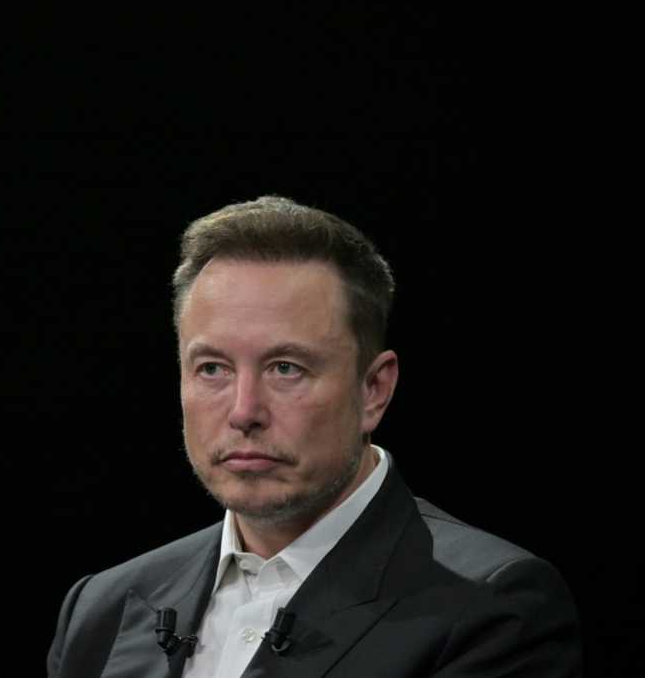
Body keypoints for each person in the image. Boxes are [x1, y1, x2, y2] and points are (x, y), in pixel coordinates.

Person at [46, 195, 582, 678]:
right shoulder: (104, 608)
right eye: (213, 368)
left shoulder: (493, 606)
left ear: (374, 389)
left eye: (286, 368)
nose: (244, 411)